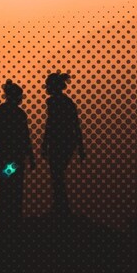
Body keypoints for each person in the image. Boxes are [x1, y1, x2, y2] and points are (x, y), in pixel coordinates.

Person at [0, 80, 35, 226]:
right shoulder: (18, 113)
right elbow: (25, 136)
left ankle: (5, 217)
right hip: (14, 158)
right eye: (20, 96)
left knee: (6, 185)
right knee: (14, 187)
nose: (21, 98)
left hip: (7, 157)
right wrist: (31, 156)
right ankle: (12, 218)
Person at [41, 72, 85, 215]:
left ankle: (61, 206)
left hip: (60, 142)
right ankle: (61, 205)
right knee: (57, 174)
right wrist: (80, 146)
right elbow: (75, 124)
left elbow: (51, 124)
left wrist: (44, 144)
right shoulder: (67, 102)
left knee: (57, 174)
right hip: (67, 142)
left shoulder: (55, 102)